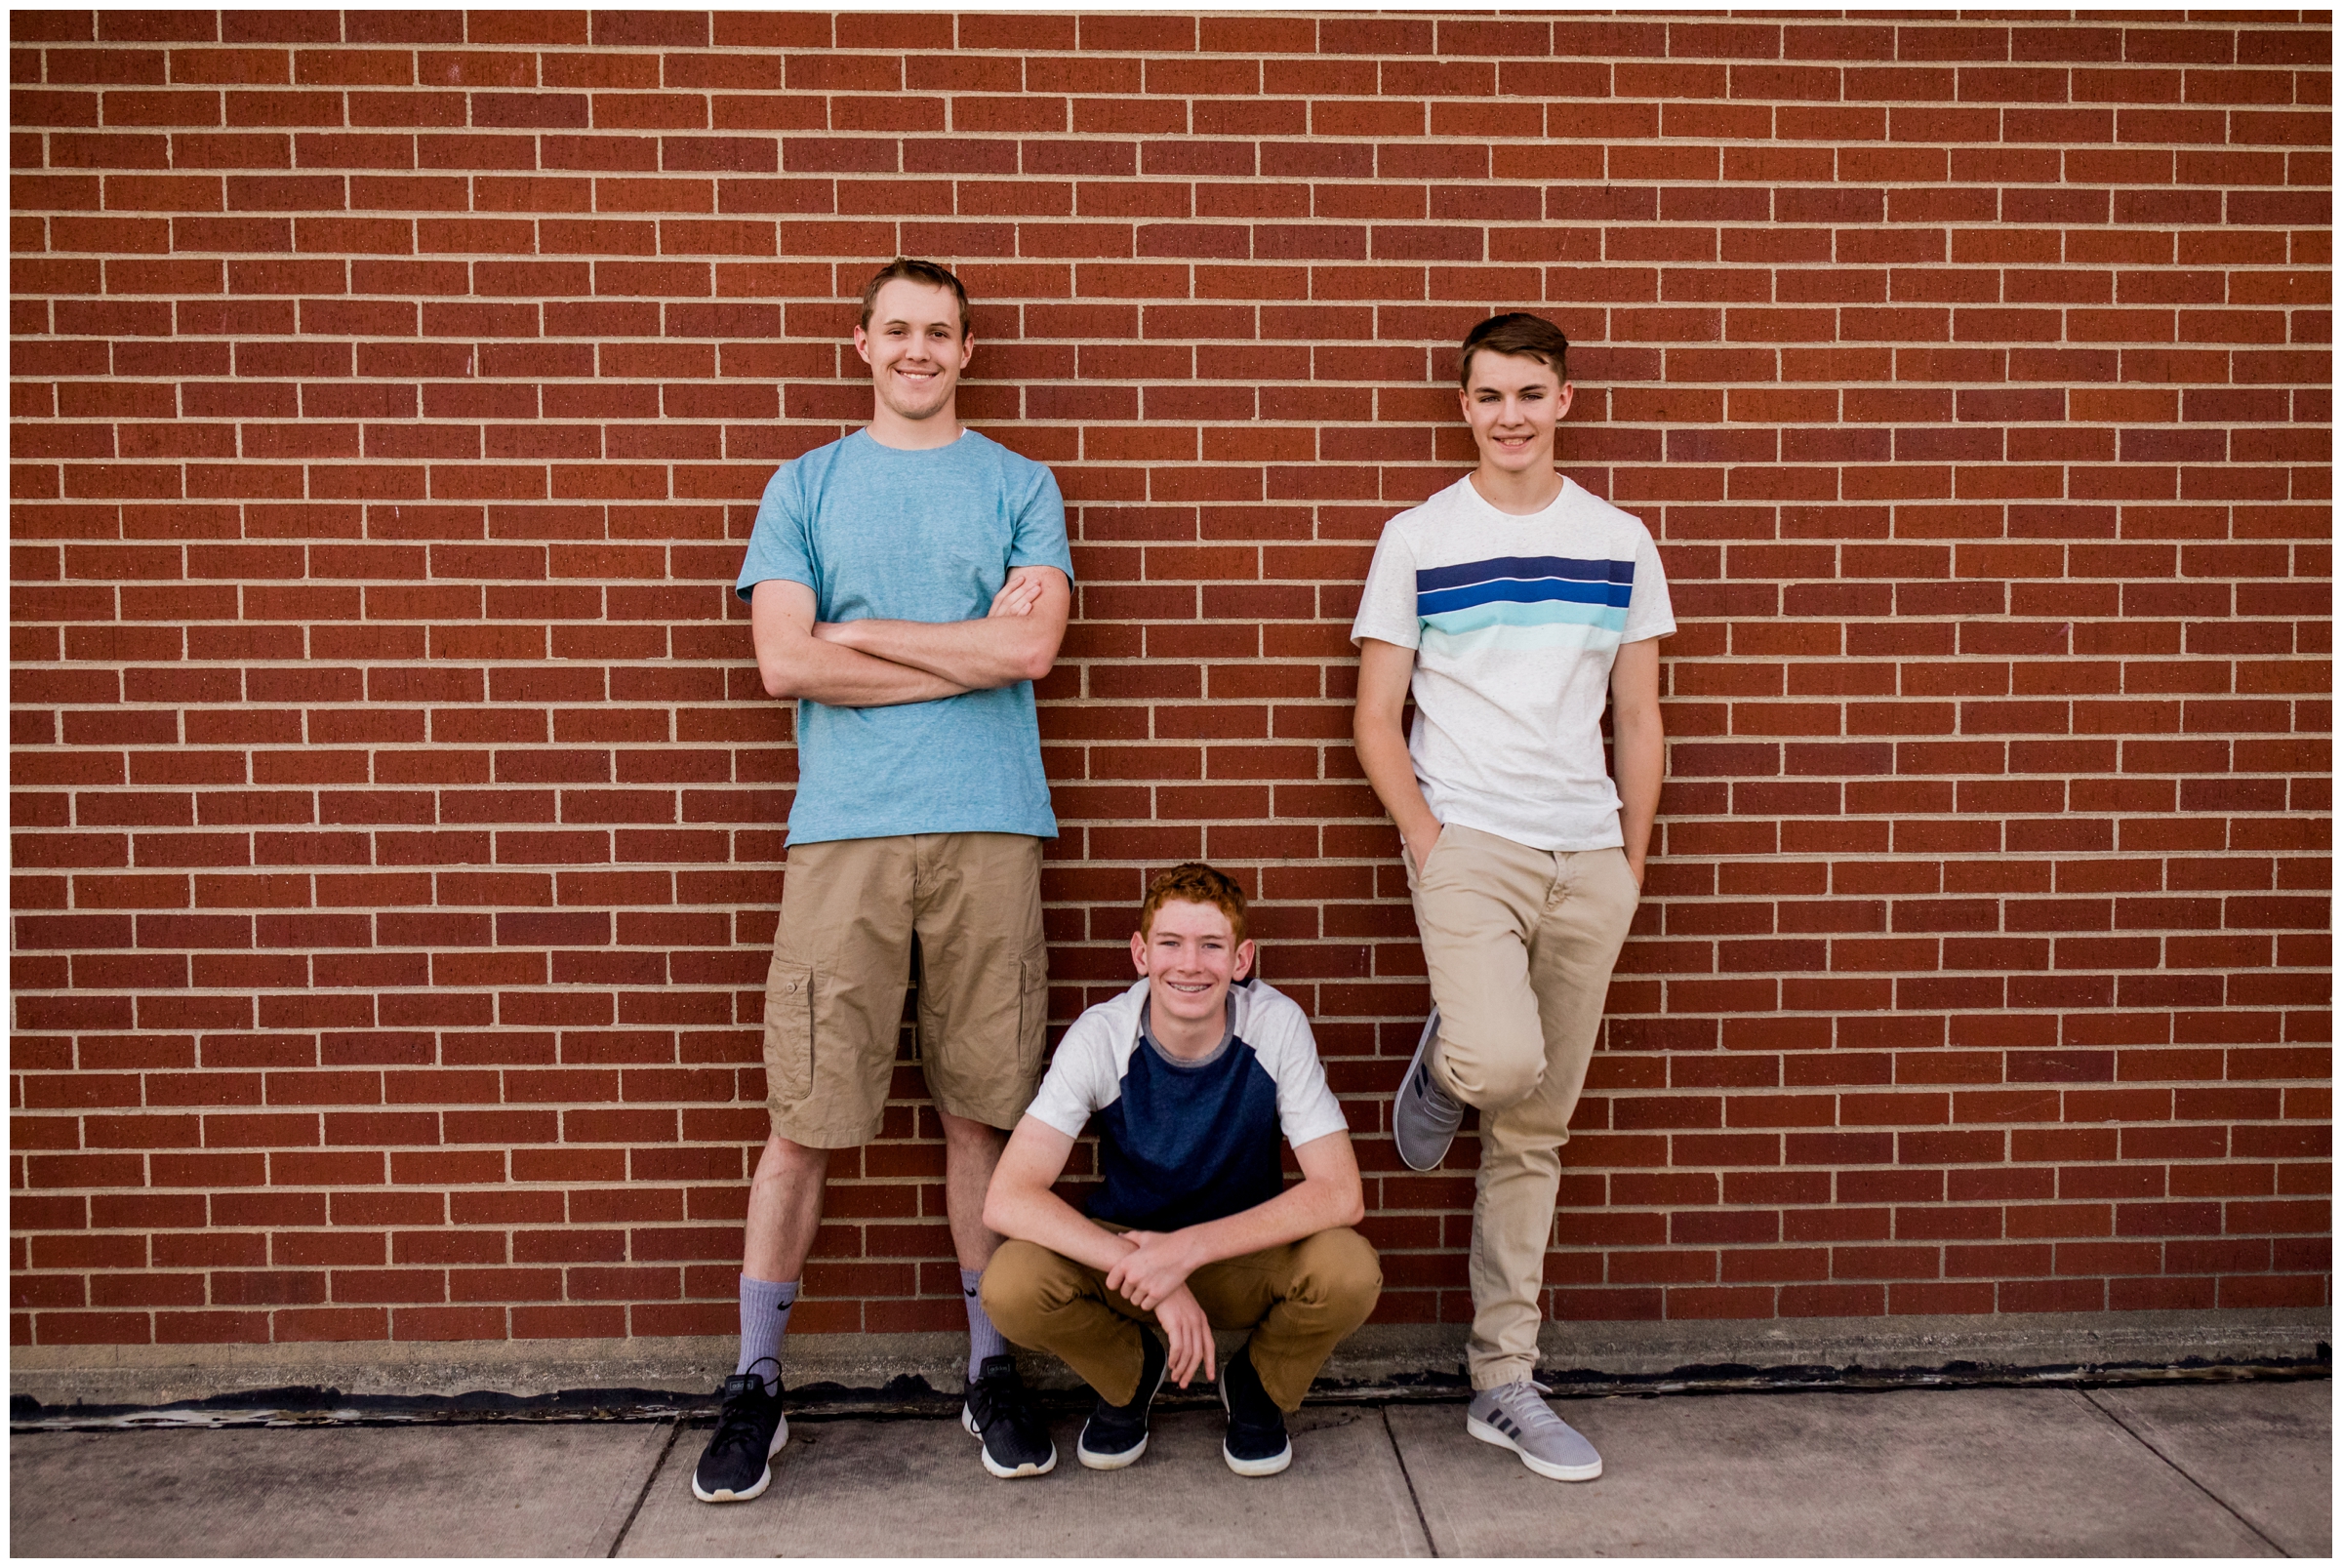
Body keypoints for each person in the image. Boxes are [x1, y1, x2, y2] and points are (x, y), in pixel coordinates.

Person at [693, 258, 1075, 1504]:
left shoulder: (1022, 483)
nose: (920, 349)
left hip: (990, 827)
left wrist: (858, 630)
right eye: (898, 330)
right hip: (844, 832)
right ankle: (755, 1377)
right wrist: (959, 653)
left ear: (969, 351)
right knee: (804, 1115)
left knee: (982, 1112)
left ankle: (990, 1365)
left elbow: (1032, 644)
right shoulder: (804, 484)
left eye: (942, 333)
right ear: (861, 343)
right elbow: (781, 666)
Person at [1350, 313, 1672, 1483]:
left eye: (1531, 393)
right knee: (1498, 1067)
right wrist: (1429, 845)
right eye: (1489, 396)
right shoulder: (1420, 535)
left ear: (1565, 400)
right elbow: (1374, 719)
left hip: (1588, 852)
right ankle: (1448, 1065)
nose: (1511, 415)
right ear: (1465, 405)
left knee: (1535, 1132)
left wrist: (1630, 861)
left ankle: (1503, 1380)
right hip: (1470, 842)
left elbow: (1637, 715)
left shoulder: (1620, 537)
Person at [978, 863, 1381, 1479]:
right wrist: (1155, 1274)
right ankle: (1131, 1377)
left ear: (1241, 959)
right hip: (1130, 1261)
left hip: (1238, 1253)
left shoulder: (1274, 1026)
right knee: (1010, 1283)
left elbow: (1341, 1194)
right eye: (1170, 943)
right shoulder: (1102, 1037)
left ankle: (1258, 1385)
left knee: (1348, 1270)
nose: (1190, 964)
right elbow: (1007, 1198)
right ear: (1141, 953)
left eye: (1211, 945)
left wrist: (1185, 1252)